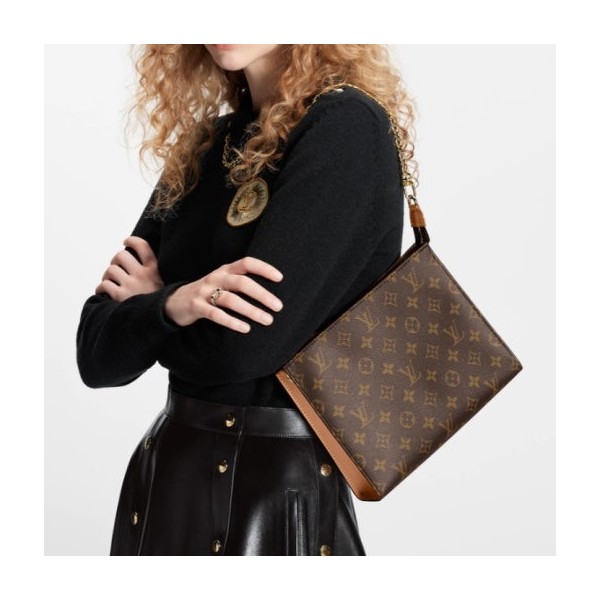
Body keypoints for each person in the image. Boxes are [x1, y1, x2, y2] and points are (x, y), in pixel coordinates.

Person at [76, 44, 418, 556]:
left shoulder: (345, 126)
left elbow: (242, 350)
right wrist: (175, 304)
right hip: (166, 480)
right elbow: (96, 356)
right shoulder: (209, 141)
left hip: (270, 493)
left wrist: (150, 310)